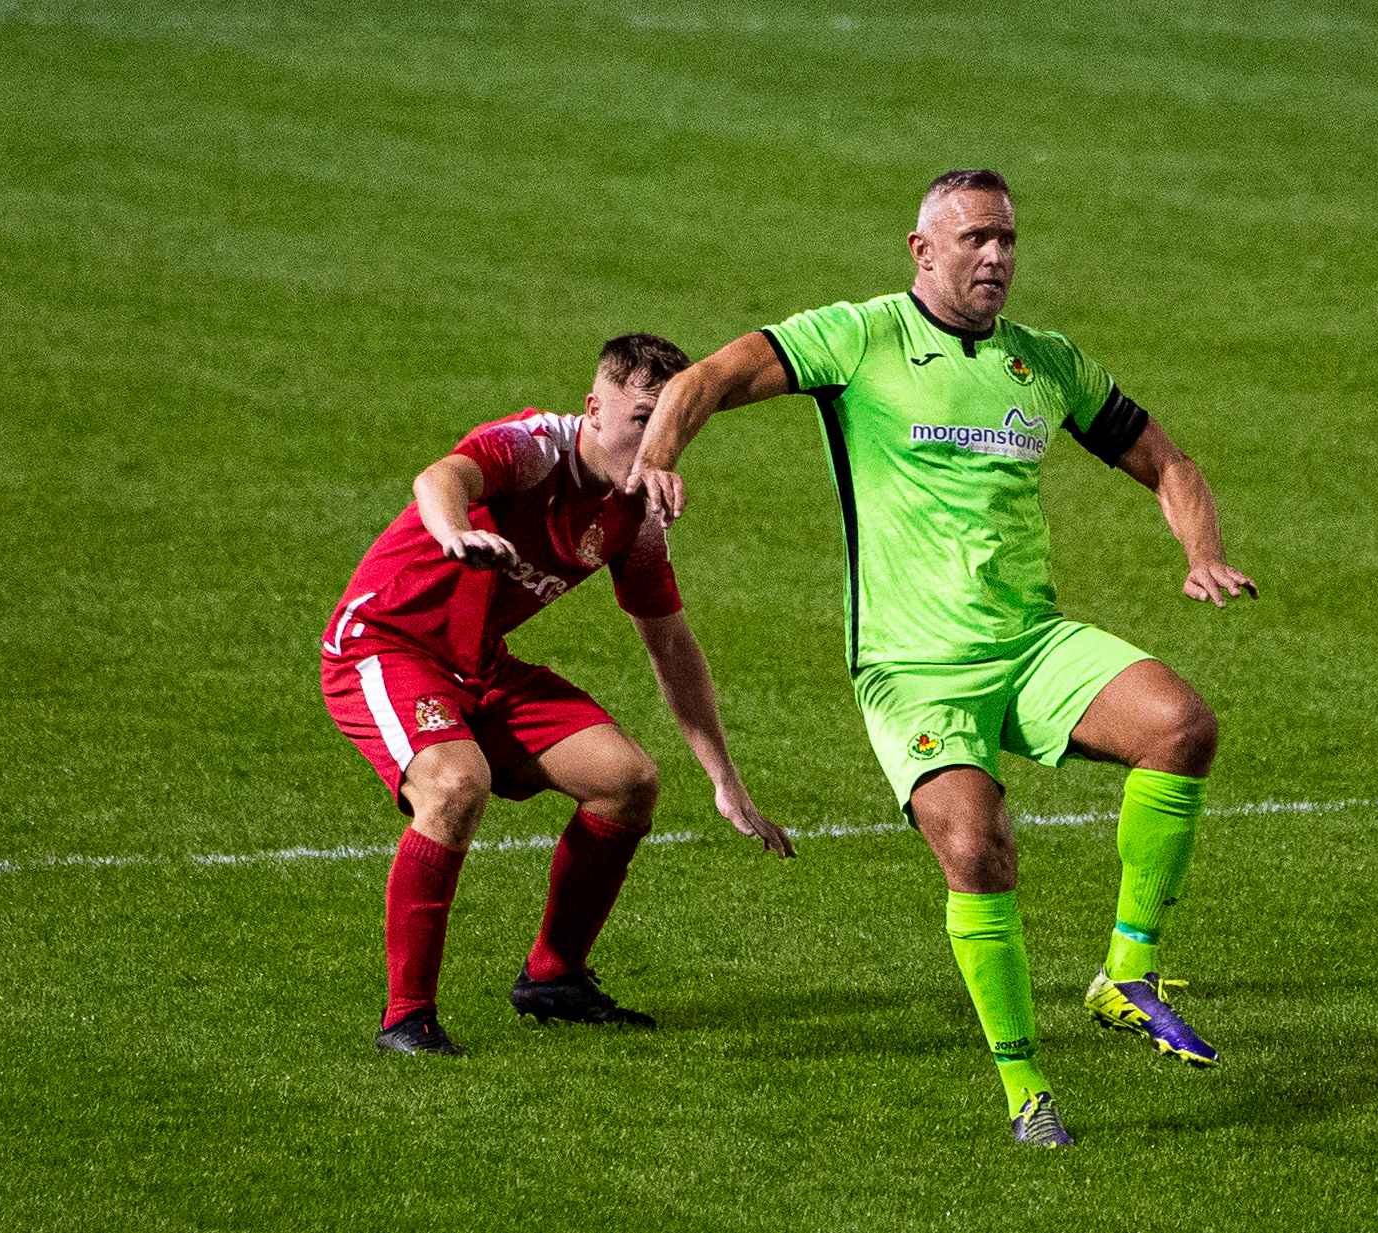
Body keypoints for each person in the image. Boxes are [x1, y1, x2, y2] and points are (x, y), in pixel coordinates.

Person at [625, 171, 1257, 1145]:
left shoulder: (1044, 363)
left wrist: (1201, 552)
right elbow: (703, 378)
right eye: (973, 240)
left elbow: (1167, 461)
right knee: (976, 845)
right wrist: (660, 455)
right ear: (922, 250)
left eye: (1006, 238)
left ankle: (1126, 972)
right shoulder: (858, 337)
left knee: (1181, 725)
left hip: (1029, 641)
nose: (995, 256)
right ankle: (1025, 1088)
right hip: (911, 664)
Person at [321, 333, 794, 1057]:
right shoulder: (537, 447)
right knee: (454, 784)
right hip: (384, 644)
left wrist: (723, 778)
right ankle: (405, 1019)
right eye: (643, 417)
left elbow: (670, 643)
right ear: (594, 407)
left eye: (674, 419)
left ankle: (553, 976)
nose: (657, 438)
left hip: (477, 663)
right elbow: (439, 477)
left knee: (626, 781)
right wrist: (455, 533)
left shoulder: (637, 514)